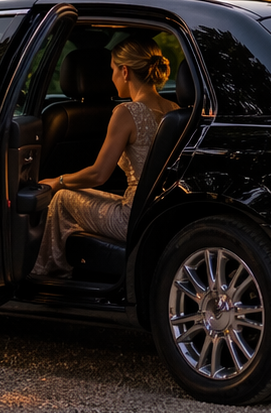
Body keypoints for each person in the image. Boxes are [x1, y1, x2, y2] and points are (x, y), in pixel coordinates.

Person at [30, 39, 180, 278]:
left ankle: (48, 275)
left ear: (125, 71)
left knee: (62, 198)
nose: (111, 77)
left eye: (112, 70)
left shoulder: (126, 112)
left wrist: (58, 181)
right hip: (163, 212)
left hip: (132, 218)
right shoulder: (175, 109)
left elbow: (98, 175)